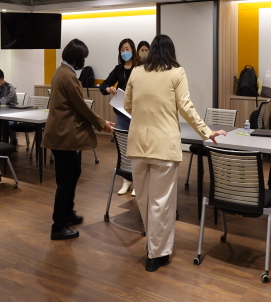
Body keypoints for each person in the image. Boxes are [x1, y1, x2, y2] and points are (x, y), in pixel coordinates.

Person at [124, 34, 226, 272]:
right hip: (164, 147)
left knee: (144, 200)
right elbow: (186, 107)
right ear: (171, 52)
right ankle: (156, 253)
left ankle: (155, 248)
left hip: (138, 146)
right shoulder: (176, 73)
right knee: (161, 202)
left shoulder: (136, 72)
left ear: (150, 51)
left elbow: (127, 105)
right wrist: (206, 131)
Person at [42, 39, 114, 240]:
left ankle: (68, 213)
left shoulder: (61, 72)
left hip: (63, 136)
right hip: (63, 137)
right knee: (65, 181)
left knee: (74, 172)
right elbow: (81, 106)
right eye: (83, 58)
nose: (84, 61)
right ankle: (58, 226)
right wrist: (102, 123)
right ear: (76, 58)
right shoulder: (67, 76)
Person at [100, 38, 140, 195]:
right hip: (121, 113)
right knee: (124, 147)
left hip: (137, 113)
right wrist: (108, 89)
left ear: (133, 50)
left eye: (127, 49)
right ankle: (126, 180)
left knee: (137, 147)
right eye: (122, 49)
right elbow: (103, 85)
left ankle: (138, 181)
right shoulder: (118, 69)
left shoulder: (140, 67)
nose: (125, 52)